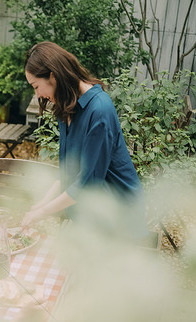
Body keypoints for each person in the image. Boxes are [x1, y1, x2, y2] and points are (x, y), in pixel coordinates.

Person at [21, 41, 147, 238]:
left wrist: (42, 213)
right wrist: (41, 203)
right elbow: (68, 171)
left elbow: (88, 183)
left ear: (53, 76)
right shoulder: (66, 105)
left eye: (36, 86)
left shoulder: (99, 110)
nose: (38, 95)